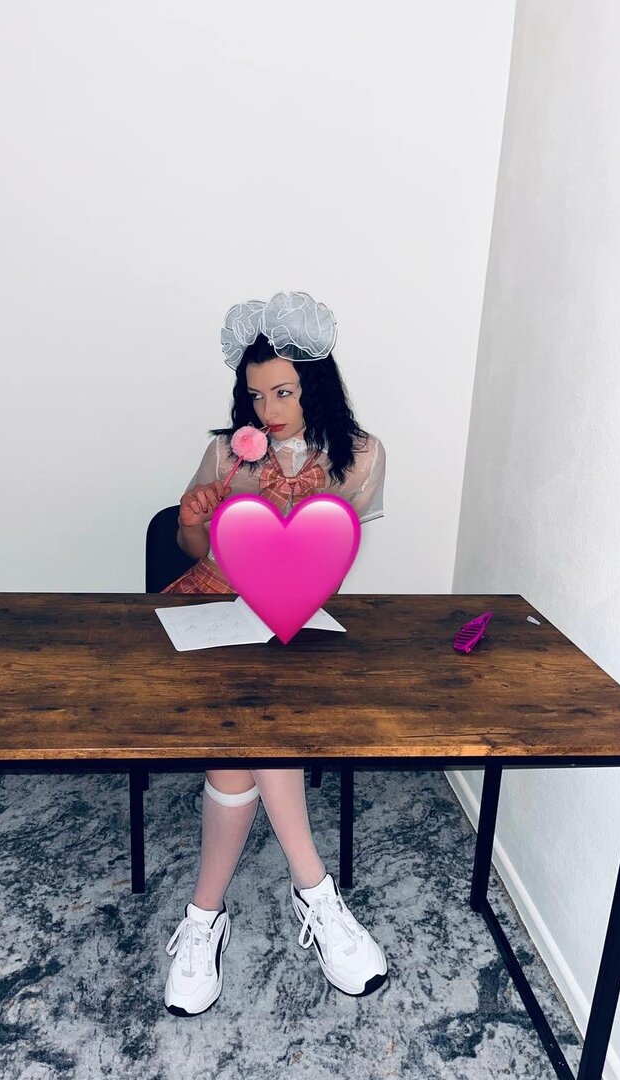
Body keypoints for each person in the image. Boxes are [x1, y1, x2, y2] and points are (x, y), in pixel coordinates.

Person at [161, 291, 388, 1017]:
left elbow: (329, 562)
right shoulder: (227, 452)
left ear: (315, 384)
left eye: (283, 392)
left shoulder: (359, 457)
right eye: (256, 396)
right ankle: (317, 894)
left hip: (300, 622)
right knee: (257, 723)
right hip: (213, 614)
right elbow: (191, 548)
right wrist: (194, 520)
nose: (268, 410)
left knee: (250, 732)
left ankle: (205, 917)